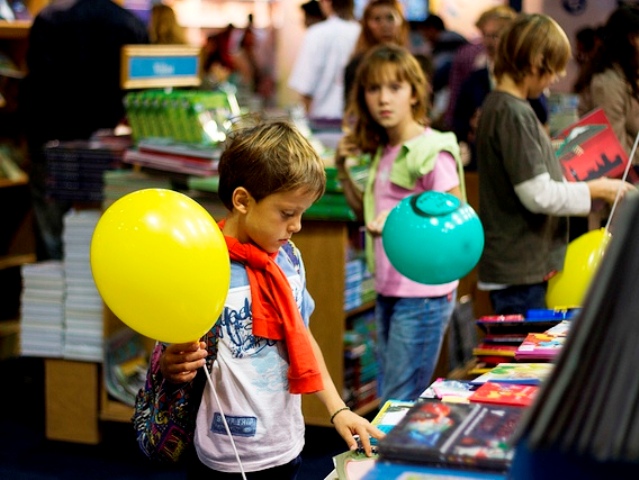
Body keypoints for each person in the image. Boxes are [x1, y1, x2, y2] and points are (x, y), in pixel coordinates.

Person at [155, 121, 383, 478]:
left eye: (302, 213)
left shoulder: (288, 259)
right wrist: (171, 364)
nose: (297, 226)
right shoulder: (201, 264)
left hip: (285, 444)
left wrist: (338, 409)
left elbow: (302, 337)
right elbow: (169, 348)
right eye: (287, 213)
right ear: (243, 200)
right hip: (222, 454)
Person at [475, 13, 636, 316]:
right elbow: (538, 195)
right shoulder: (512, 112)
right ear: (536, 61)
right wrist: (597, 189)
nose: (556, 78)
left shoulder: (507, 107)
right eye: (553, 69)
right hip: (519, 274)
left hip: (520, 270)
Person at [335, 44, 464, 405]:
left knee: (399, 400)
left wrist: (399, 218)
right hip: (390, 288)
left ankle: (393, 463)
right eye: (373, 89)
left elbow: (456, 220)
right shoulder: (385, 149)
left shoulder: (430, 150)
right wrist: (345, 171)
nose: (383, 99)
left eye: (395, 87)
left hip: (422, 294)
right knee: (393, 396)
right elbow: (367, 213)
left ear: (415, 92)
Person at [18, 0, 149, 260]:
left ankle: (54, 295)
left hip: (52, 141)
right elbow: (139, 91)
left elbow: (35, 87)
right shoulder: (129, 23)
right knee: (102, 230)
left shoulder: (51, 18)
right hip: (108, 146)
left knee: (52, 239)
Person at [577, 5, 639, 166]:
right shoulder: (607, 83)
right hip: (622, 180)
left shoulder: (631, 74)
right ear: (633, 39)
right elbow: (617, 151)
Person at [444, 5, 517, 132]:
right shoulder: (475, 70)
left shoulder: (522, 72)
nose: (489, 42)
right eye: (485, 35)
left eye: (495, 35)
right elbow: (457, 111)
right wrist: (469, 127)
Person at [288, 0, 360, 123]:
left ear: (327, 2)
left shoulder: (317, 33)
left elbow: (306, 87)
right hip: (356, 121)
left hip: (322, 122)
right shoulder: (361, 32)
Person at [343, 0, 409, 107]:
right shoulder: (358, 65)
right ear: (367, 24)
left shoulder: (409, 62)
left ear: (401, 21)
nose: (384, 25)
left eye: (390, 18)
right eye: (377, 19)